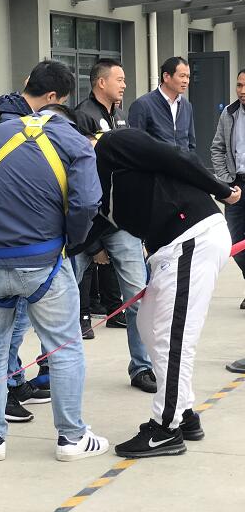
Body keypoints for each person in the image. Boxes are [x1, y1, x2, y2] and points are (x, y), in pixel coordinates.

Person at [64, 109, 240, 458]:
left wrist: (221, 190)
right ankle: (183, 411)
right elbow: (92, 228)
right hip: (170, 249)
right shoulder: (88, 181)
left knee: (173, 336)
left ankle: (166, 428)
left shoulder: (114, 143)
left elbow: (176, 157)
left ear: (83, 136)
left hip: (193, 236)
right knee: (149, 325)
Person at [0, 83, 108, 462]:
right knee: (64, 347)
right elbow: (87, 203)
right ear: (69, 121)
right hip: (43, 259)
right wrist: (72, 242)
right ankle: (71, 438)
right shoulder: (75, 143)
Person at [0, 61, 77, 423]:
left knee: (4, 331)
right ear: (52, 97)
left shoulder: (2, 117)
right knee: (9, 330)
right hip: (22, 245)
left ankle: (10, 386)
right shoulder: (17, 125)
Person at [75, 59, 156, 393]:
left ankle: (142, 367)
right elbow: (80, 176)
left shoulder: (121, 117)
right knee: (64, 300)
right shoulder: (82, 117)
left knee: (139, 298)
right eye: (119, 79)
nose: (124, 85)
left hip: (121, 222)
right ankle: (54, 368)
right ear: (100, 82)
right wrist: (93, 246)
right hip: (87, 225)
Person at [210, 68, 245, 309]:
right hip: (237, 185)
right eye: (239, 85)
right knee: (234, 243)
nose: (242, 91)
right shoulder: (229, 113)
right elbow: (217, 148)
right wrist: (225, 180)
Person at [128, 56, 195, 152]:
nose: (186, 81)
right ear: (166, 76)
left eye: (188, 77)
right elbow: (134, 144)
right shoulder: (143, 105)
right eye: (182, 76)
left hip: (182, 161)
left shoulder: (186, 105)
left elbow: (191, 143)